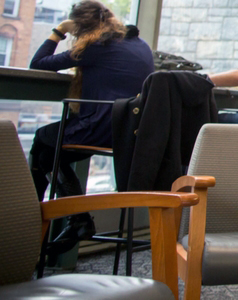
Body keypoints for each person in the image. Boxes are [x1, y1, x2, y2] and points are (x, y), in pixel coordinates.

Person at [27, 0, 155, 253]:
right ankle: (74, 221)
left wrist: (58, 31)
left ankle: (33, 222)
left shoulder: (97, 46)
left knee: (43, 139)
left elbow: (39, 63)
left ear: (81, 29)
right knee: (47, 153)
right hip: (130, 130)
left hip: (101, 128)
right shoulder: (139, 43)